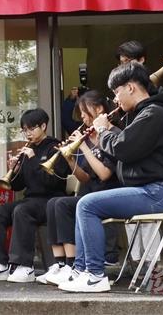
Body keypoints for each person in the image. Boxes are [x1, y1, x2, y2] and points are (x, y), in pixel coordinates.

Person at [58, 62, 163, 293]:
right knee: (83, 204)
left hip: (160, 192)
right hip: (152, 190)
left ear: (130, 88)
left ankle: (95, 275)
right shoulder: (141, 115)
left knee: (87, 205)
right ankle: (83, 270)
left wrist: (105, 130)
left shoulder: (153, 114)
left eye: (117, 92)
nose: (115, 99)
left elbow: (123, 149)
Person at [37, 91, 120, 286]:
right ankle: (61, 264)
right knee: (54, 203)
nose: (81, 118)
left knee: (63, 204)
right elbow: (84, 177)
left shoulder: (113, 134)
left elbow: (104, 174)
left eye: (84, 112)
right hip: (89, 193)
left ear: (98, 109)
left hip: (107, 195)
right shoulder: (89, 138)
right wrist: (69, 158)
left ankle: (74, 264)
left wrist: (82, 148)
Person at [0, 109, 69, 283]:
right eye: (24, 130)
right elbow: (19, 186)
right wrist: (14, 170)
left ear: (43, 126)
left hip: (50, 200)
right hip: (31, 199)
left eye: (31, 129)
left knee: (22, 210)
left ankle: (24, 266)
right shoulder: (28, 149)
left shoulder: (55, 148)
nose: (28, 133)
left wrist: (34, 159)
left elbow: (53, 182)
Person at [116, 39, 161, 265]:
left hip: (148, 171)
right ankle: (135, 261)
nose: (126, 66)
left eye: (129, 61)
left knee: (147, 217)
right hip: (132, 168)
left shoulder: (154, 95)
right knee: (131, 216)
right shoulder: (124, 99)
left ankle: (151, 262)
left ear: (142, 60)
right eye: (122, 62)